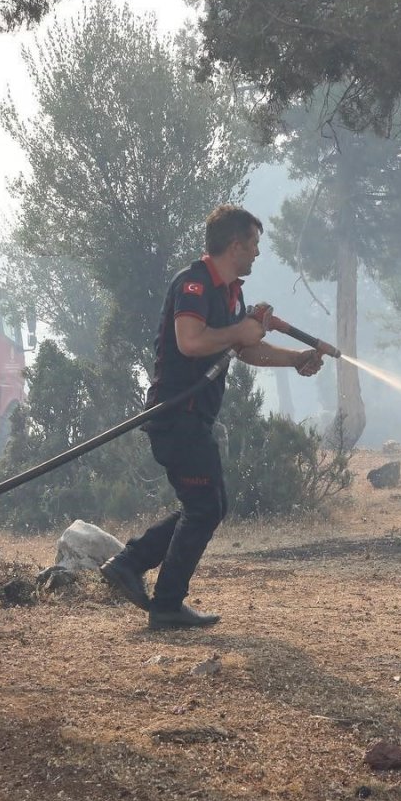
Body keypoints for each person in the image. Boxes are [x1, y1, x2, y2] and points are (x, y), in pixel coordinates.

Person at [100, 204, 324, 629]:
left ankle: (131, 565)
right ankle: (162, 601)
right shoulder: (194, 284)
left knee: (208, 505)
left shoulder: (229, 293)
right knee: (204, 507)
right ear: (235, 245)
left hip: (195, 418)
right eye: (254, 244)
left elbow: (245, 349)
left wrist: (296, 359)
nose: (257, 253)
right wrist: (239, 330)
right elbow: (190, 341)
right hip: (176, 415)